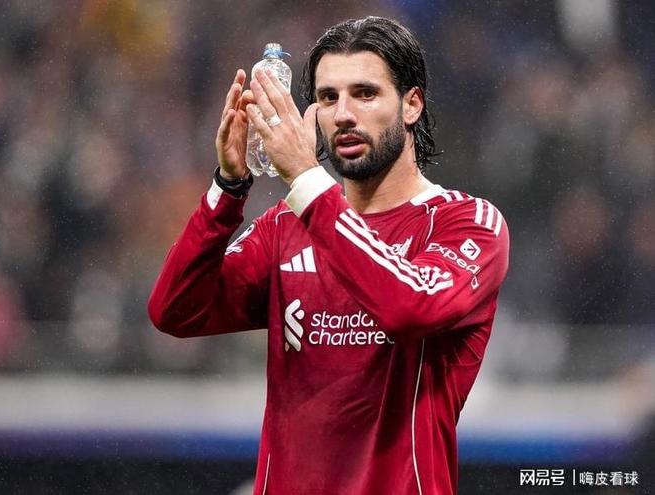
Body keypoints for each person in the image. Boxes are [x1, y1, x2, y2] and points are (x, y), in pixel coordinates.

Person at [148, 16, 509, 495]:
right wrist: (228, 187)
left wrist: (306, 180)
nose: (343, 115)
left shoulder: (466, 223)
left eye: (365, 94)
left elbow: (410, 306)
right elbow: (175, 310)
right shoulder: (286, 227)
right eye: (328, 97)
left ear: (411, 105)